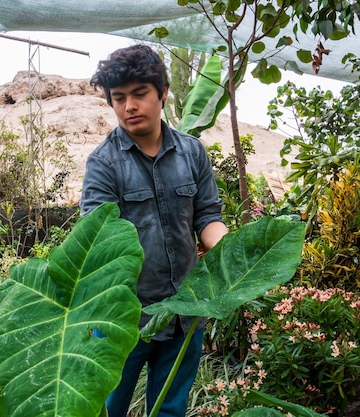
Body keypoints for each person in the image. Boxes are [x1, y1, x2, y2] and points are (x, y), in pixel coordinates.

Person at [80, 44, 228, 417]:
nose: (129, 106)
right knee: (106, 409)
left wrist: (231, 252)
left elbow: (207, 216)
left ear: (162, 93)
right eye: (119, 98)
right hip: (122, 318)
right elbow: (98, 240)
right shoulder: (103, 164)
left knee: (169, 410)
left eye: (140, 94)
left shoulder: (193, 153)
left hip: (185, 311)